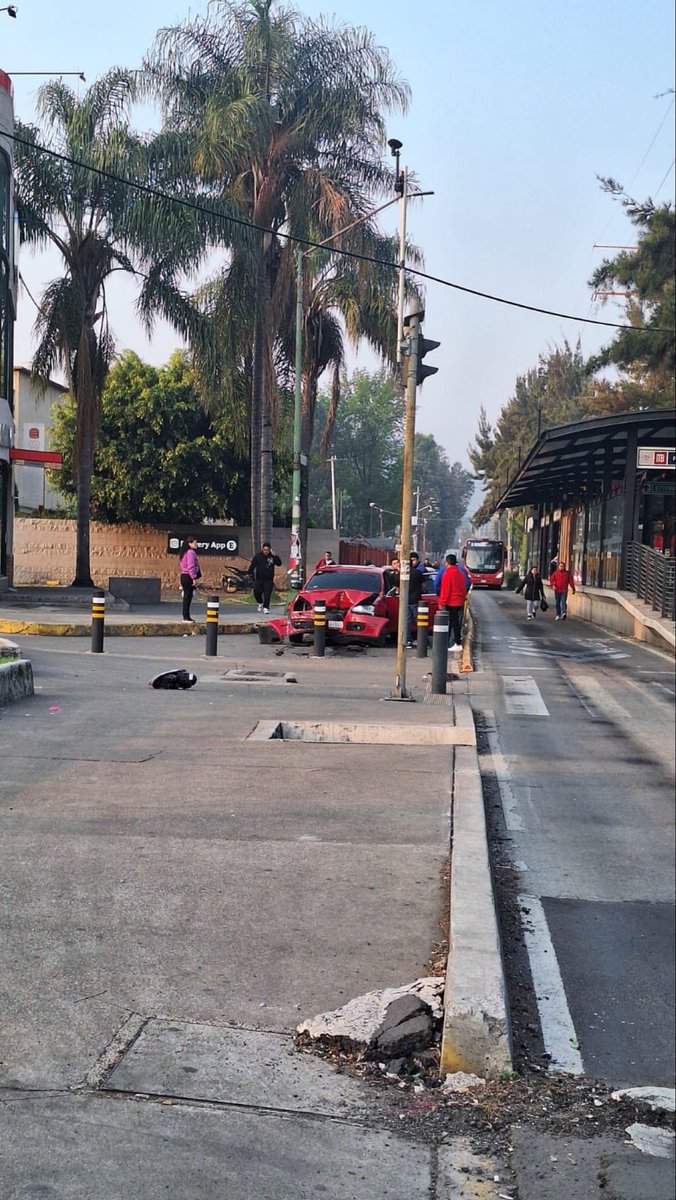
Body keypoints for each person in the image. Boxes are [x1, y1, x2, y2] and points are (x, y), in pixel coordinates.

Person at [439, 553, 468, 651]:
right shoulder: (460, 574)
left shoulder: (447, 574)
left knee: (453, 623)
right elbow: (464, 588)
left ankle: (457, 642)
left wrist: (442, 602)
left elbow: (445, 590)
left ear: (447, 563)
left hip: (451, 602)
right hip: (460, 601)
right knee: (455, 623)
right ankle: (454, 642)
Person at [248, 542, 282, 614]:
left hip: (268, 580)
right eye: (264, 550)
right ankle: (260, 602)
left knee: (267, 595)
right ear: (262, 549)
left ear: (270, 550)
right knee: (256, 592)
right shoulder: (258, 556)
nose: (266, 551)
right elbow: (252, 565)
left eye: (267, 550)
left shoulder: (272, 557)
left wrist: (275, 555)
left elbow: (279, 563)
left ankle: (266, 607)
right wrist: (249, 573)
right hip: (259, 579)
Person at [179, 537, 201, 623]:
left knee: (186, 596)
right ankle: (186, 617)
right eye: (195, 543)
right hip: (188, 576)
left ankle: (186, 615)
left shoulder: (184, 553)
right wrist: (193, 578)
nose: (196, 545)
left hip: (183, 575)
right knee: (187, 597)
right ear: (190, 543)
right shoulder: (191, 553)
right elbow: (191, 566)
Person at [407, 552, 427, 647]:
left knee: (407, 621)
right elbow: (423, 585)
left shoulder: (402, 574)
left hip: (405, 600)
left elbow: (398, 588)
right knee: (419, 620)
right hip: (416, 599)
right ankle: (423, 640)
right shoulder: (418, 573)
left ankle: (407, 640)